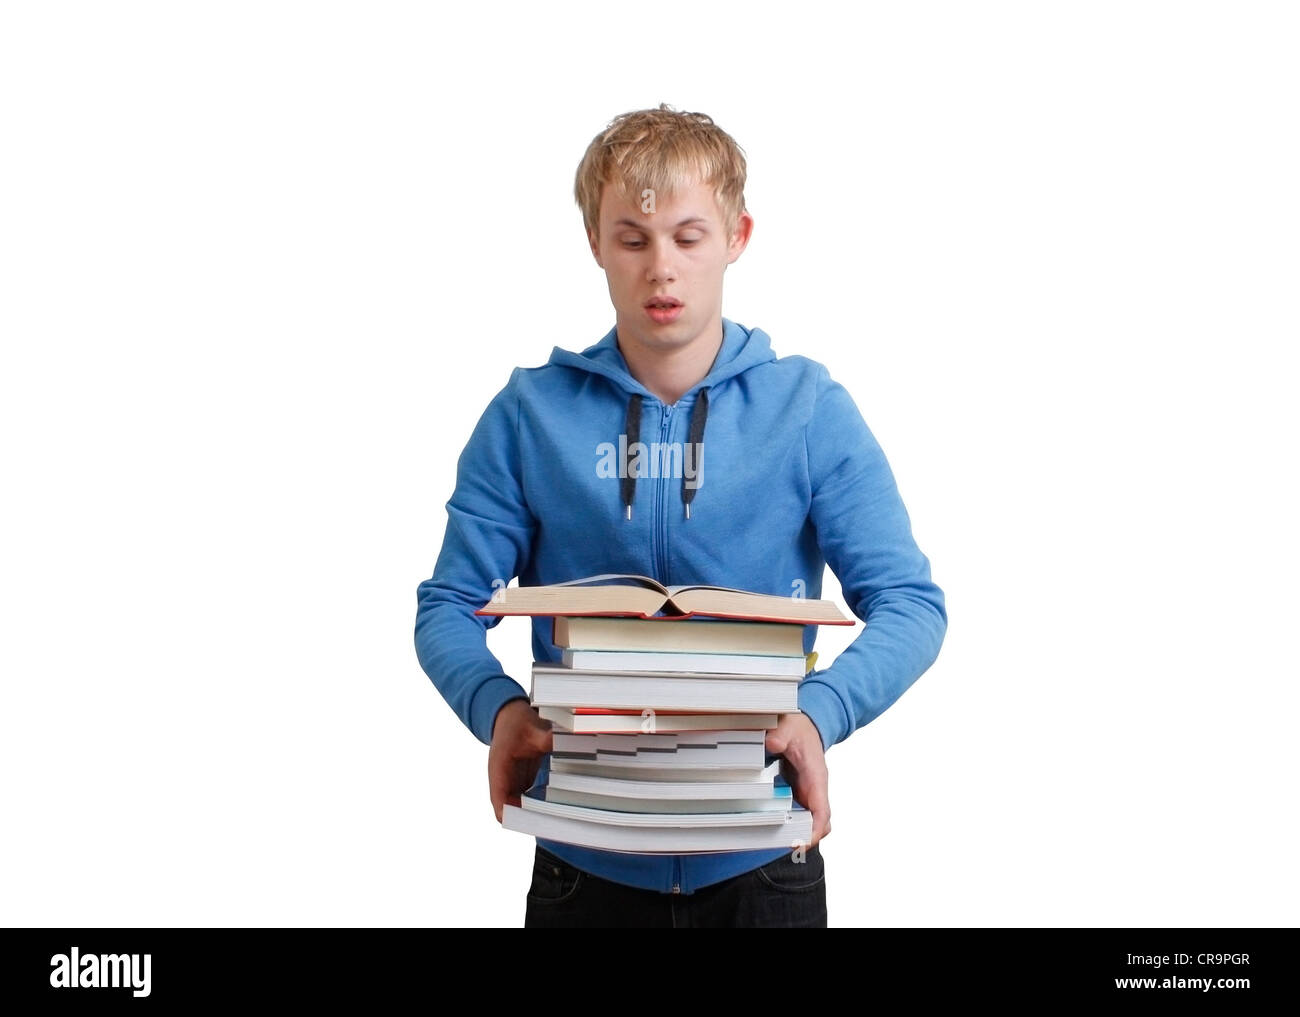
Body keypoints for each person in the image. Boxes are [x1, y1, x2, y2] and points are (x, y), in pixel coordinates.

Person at [414, 103, 947, 928]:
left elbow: (911, 602)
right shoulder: (527, 416)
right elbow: (448, 605)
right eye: (632, 238)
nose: (661, 268)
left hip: (765, 866)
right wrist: (499, 707)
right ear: (594, 241)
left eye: (689, 238)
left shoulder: (807, 409)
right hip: (581, 866)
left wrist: (822, 712)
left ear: (738, 236)